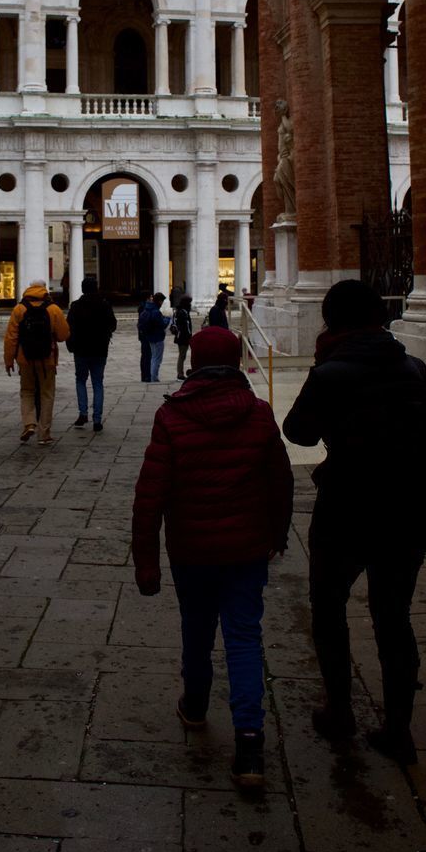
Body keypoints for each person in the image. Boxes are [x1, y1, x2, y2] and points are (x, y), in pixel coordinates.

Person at [282, 279, 426, 766]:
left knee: (329, 607)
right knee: (394, 617)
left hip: (347, 507)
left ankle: (340, 711)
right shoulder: (413, 367)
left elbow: (298, 431)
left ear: (331, 320)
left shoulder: (333, 371)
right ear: (379, 317)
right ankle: (398, 729)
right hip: (406, 510)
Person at [132, 326, 293, 787]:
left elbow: (149, 496)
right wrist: (277, 535)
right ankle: (249, 745)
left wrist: (147, 561)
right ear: (238, 360)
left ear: (195, 363)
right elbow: (281, 482)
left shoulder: (172, 416)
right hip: (246, 550)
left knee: (197, 630)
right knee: (244, 637)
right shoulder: (259, 414)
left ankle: (197, 705)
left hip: (192, 551)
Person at [4, 280, 69, 446]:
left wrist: (9, 360)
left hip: (25, 358)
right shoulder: (53, 309)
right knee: (47, 394)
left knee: (27, 391)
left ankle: (29, 423)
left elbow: (11, 337)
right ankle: (44, 434)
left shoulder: (19, 309)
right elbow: (63, 335)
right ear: (44, 289)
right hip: (47, 359)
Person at [68, 276, 117, 432]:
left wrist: (72, 346)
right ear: (96, 288)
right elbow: (113, 325)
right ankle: (97, 419)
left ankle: (83, 413)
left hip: (81, 350)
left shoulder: (76, 306)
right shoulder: (104, 305)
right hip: (100, 350)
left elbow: (69, 327)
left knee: (80, 380)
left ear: (82, 289)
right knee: (97, 383)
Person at [138, 292, 170, 383]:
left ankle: (149, 376)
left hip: (149, 336)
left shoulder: (147, 309)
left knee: (152, 357)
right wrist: (167, 319)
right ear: (159, 301)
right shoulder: (155, 311)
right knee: (157, 358)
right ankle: (154, 377)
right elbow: (162, 324)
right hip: (157, 337)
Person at [173, 293, 193, 380]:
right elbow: (186, 326)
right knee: (182, 355)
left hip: (180, 336)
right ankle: (180, 373)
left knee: (182, 355)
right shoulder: (183, 312)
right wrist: (189, 336)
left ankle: (180, 372)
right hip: (183, 337)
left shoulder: (179, 311)